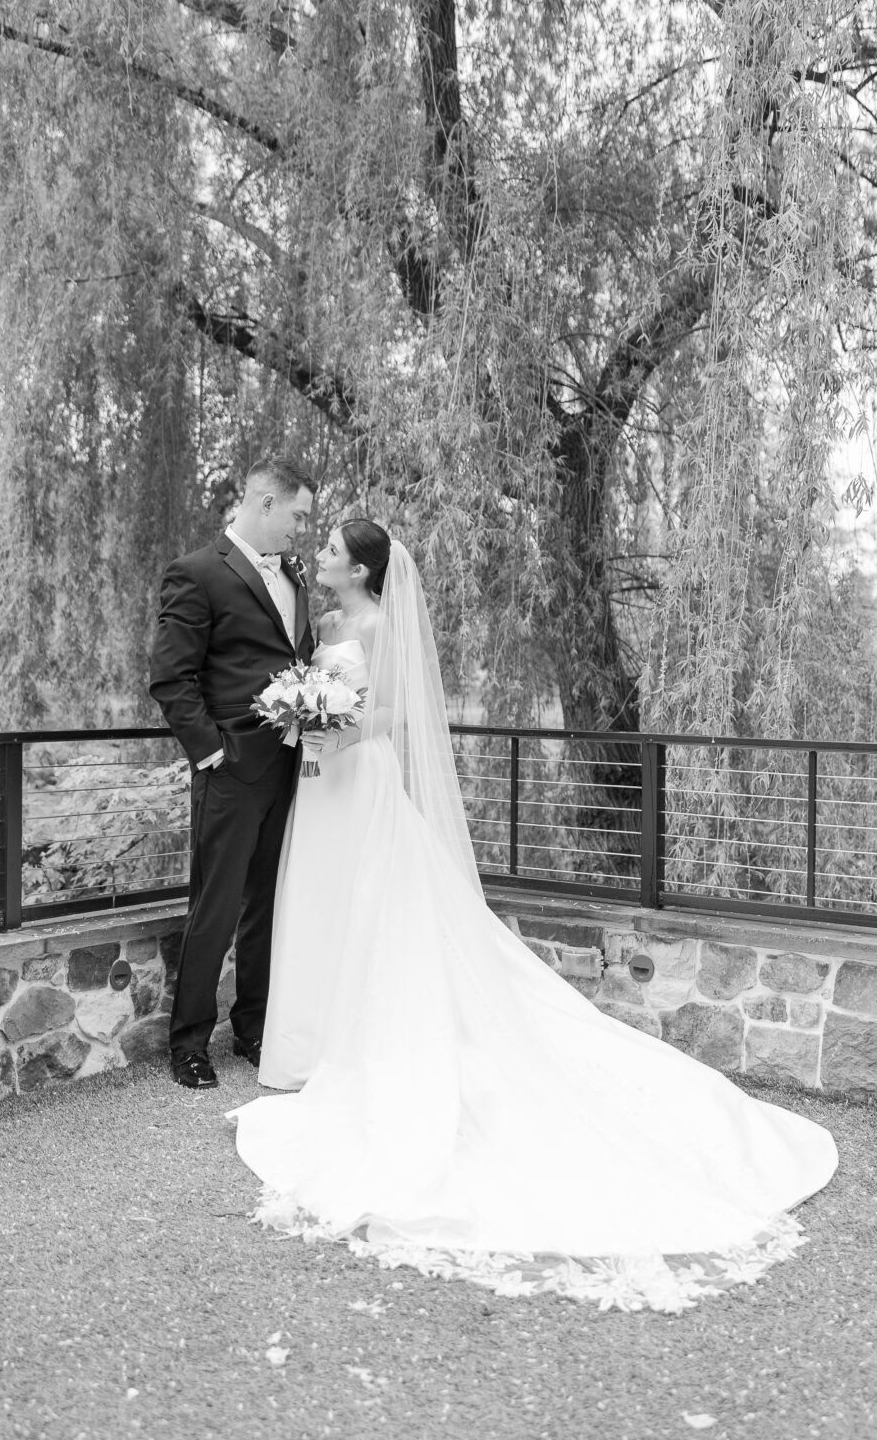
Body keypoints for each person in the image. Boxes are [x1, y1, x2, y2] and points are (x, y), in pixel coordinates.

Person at [229, 522, 839, 1311]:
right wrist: (303, 719)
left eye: (331, 551)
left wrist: (321, 727)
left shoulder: (379, 625)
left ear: (361, 567)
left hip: (355, 780)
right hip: (322, 787)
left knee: (377, 914)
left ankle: (363, 1047)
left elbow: (388, 718)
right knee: (325, 911)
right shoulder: (333, 624)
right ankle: (312, 1045)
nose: (320, 558)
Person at [149, 458, 317, 1090]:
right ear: (264, 503)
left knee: (267, 905)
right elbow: (171, 676)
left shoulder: (295, 576)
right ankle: (189, 1041)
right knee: (213, 907)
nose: (302, 530)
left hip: (288, 766)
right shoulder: (196, 573)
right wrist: (210, 751)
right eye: (297, 515)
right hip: (229, 768)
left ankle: (253, 1028)